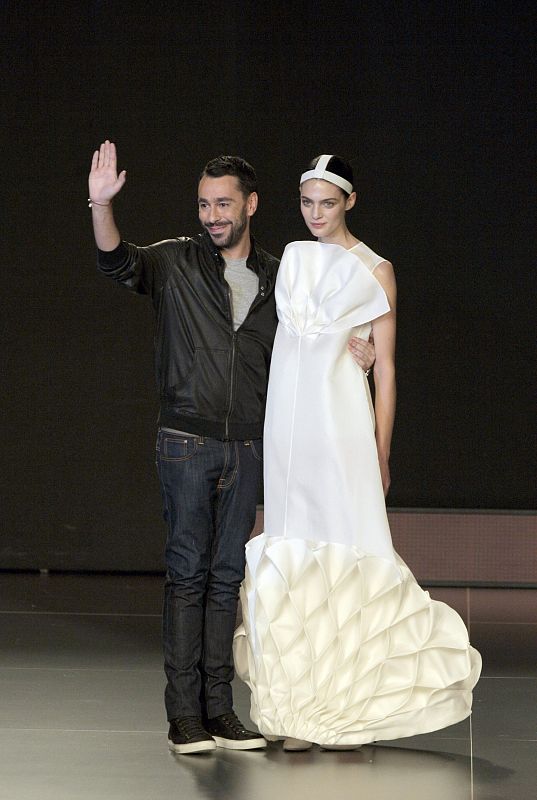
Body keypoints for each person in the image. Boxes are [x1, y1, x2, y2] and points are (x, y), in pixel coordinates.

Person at [87, 143, 376, 755]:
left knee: (227, 579)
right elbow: (117, 262)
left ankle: (221, 711)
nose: (212, 215)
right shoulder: (176, 262)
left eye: (223, 203)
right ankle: (183, 717)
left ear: (250, 204)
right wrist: (101, 205)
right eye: (203, 204)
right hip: (186, 442)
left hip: (248, 445)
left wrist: (362, 355)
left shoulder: (282, 274)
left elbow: (316, 342)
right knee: (188, 575)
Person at [234, 154, 481, 751]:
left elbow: (387, 368)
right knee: (297, 553)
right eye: (306, 202)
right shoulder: (292, 259)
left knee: (346, 548)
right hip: (289, 431)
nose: (315, 214)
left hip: (340, 424)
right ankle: (300, 709)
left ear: (349, 202)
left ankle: (352, 711)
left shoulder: (376, 270)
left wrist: (382, 450)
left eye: (327, 203)